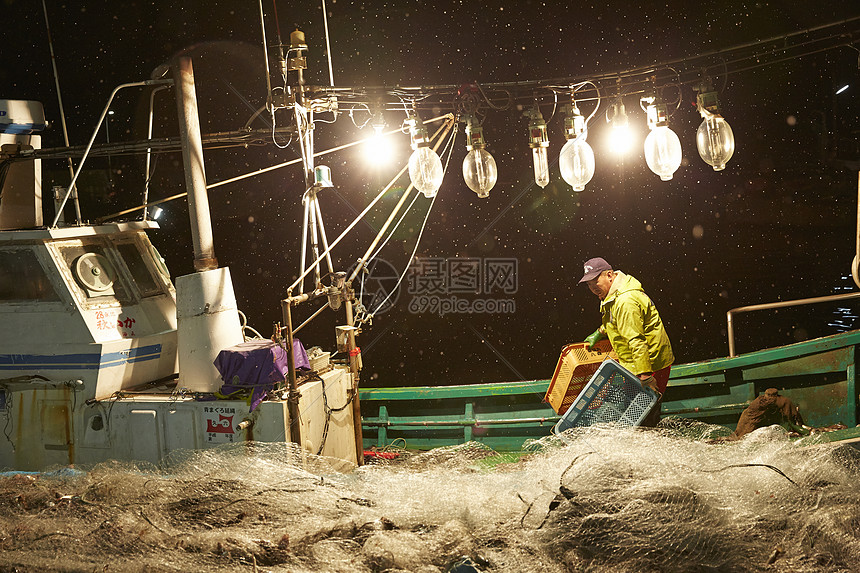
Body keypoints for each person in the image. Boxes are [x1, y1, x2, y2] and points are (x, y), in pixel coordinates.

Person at [579, 257, 674, 427]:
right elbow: (615, 320)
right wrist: (600, 332)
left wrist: (645, 376)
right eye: (588, 284)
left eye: (595, 280)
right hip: (633, 363)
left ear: (609, 275)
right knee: (634, 411)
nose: (592, 288)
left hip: (650, 363)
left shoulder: (625, 301)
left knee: (645, 414)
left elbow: (636, 340)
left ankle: (649, 441)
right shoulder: (613, 295)